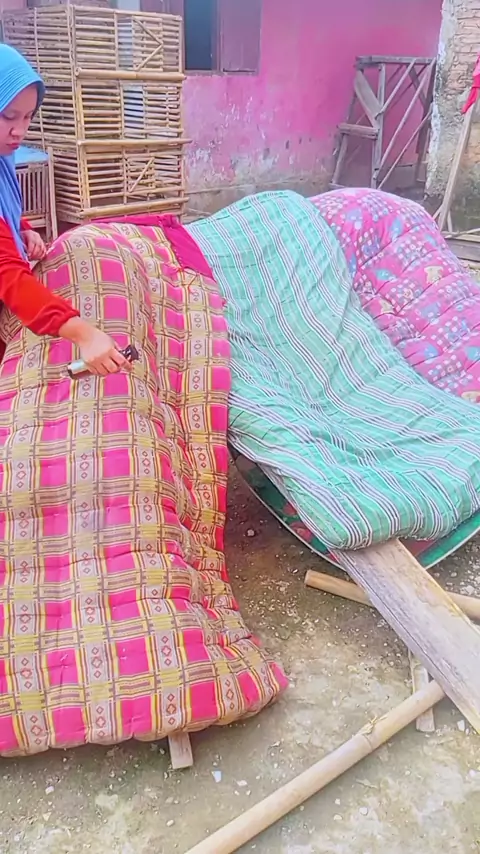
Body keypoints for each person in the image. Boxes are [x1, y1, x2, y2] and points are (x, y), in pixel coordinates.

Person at [0, 44, 130, 376]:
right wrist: (84, 334)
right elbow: (9, 276)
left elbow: (6, 211)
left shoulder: (3, 160)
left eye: (28, 116)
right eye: (8, 116)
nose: (19, 130)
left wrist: (22, 228)